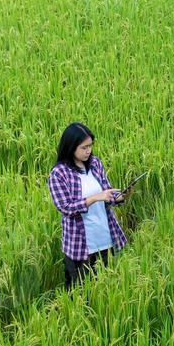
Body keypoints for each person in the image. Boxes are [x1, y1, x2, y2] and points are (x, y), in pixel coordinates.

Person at [47, 122, 132, 290]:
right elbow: (65, 208)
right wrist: (93, 198)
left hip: (106, 238)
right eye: (83, 147)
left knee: (107, 290)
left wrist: (121, 197)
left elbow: (107, 193)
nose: (88, 151)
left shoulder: (95, 164)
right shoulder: (59, 173)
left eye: (90, 146)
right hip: (80, 245)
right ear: (71, 147)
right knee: (79, 294)